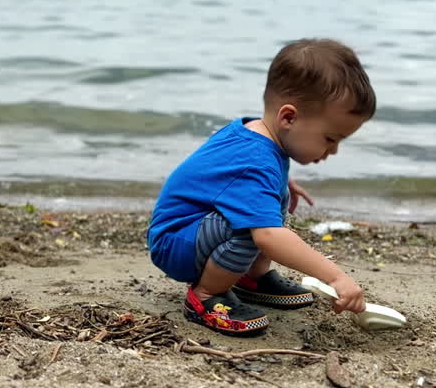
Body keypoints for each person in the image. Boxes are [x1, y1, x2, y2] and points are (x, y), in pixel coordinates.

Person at [147, 38, 376, 336]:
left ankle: (250, 278)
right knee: (252, 229)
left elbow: (232, 179)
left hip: (192, 233)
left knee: (262, 206)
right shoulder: (256, 161)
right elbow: (269, 236)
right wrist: (336, 277)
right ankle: (203, 296)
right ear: (289, 117)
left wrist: (282, 184)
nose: (333, 151)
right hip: (175, 242)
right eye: (331, 138)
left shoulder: (259, 133)